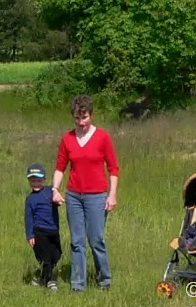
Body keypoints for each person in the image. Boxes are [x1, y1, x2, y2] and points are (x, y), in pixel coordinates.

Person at [52, 95, 120, 291]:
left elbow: (113, 168)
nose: (81, 122)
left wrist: (112, 194)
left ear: (91, 115)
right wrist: (54, 189)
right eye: (77, 118)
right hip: (73, 196)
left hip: (97, 196)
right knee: (77, 242)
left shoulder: (103, 137)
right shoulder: (67, 138)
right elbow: (60, 168)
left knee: (96, 239)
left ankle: (104, 280)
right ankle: (78, 284)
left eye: (85, 117)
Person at [23, 163, 61, 292]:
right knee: (45, 258)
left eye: (39, 180)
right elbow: (28, 218)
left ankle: (41, 275)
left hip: (53, 230)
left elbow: (58, 200)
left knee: (57, 253)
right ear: (29, 181)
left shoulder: (50, 191)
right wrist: (30, 235)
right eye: (33, 181)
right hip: (39, 232)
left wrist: (58, 200)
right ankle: (49, 281)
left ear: (44, 180)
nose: (36, 184)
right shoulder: (30, 199)